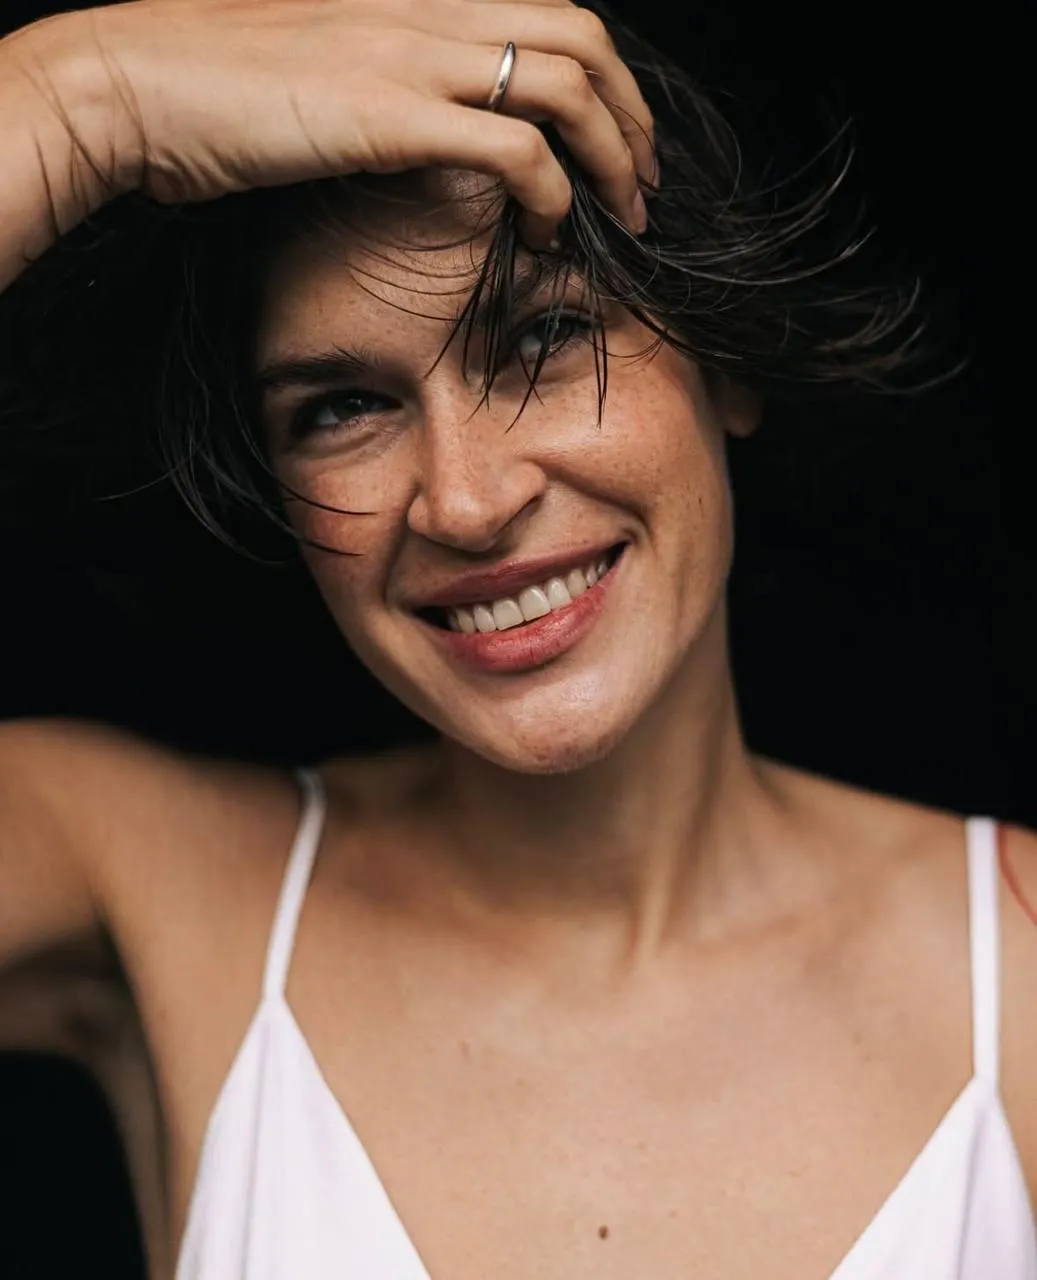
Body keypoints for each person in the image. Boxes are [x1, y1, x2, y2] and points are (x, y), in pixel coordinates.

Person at [0, 2, 1034, 1278]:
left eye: (542, 335)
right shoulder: (156, 893)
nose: (469, 500)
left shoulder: (1021, 965)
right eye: (342, 407)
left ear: (725, 355)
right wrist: (77, 100)